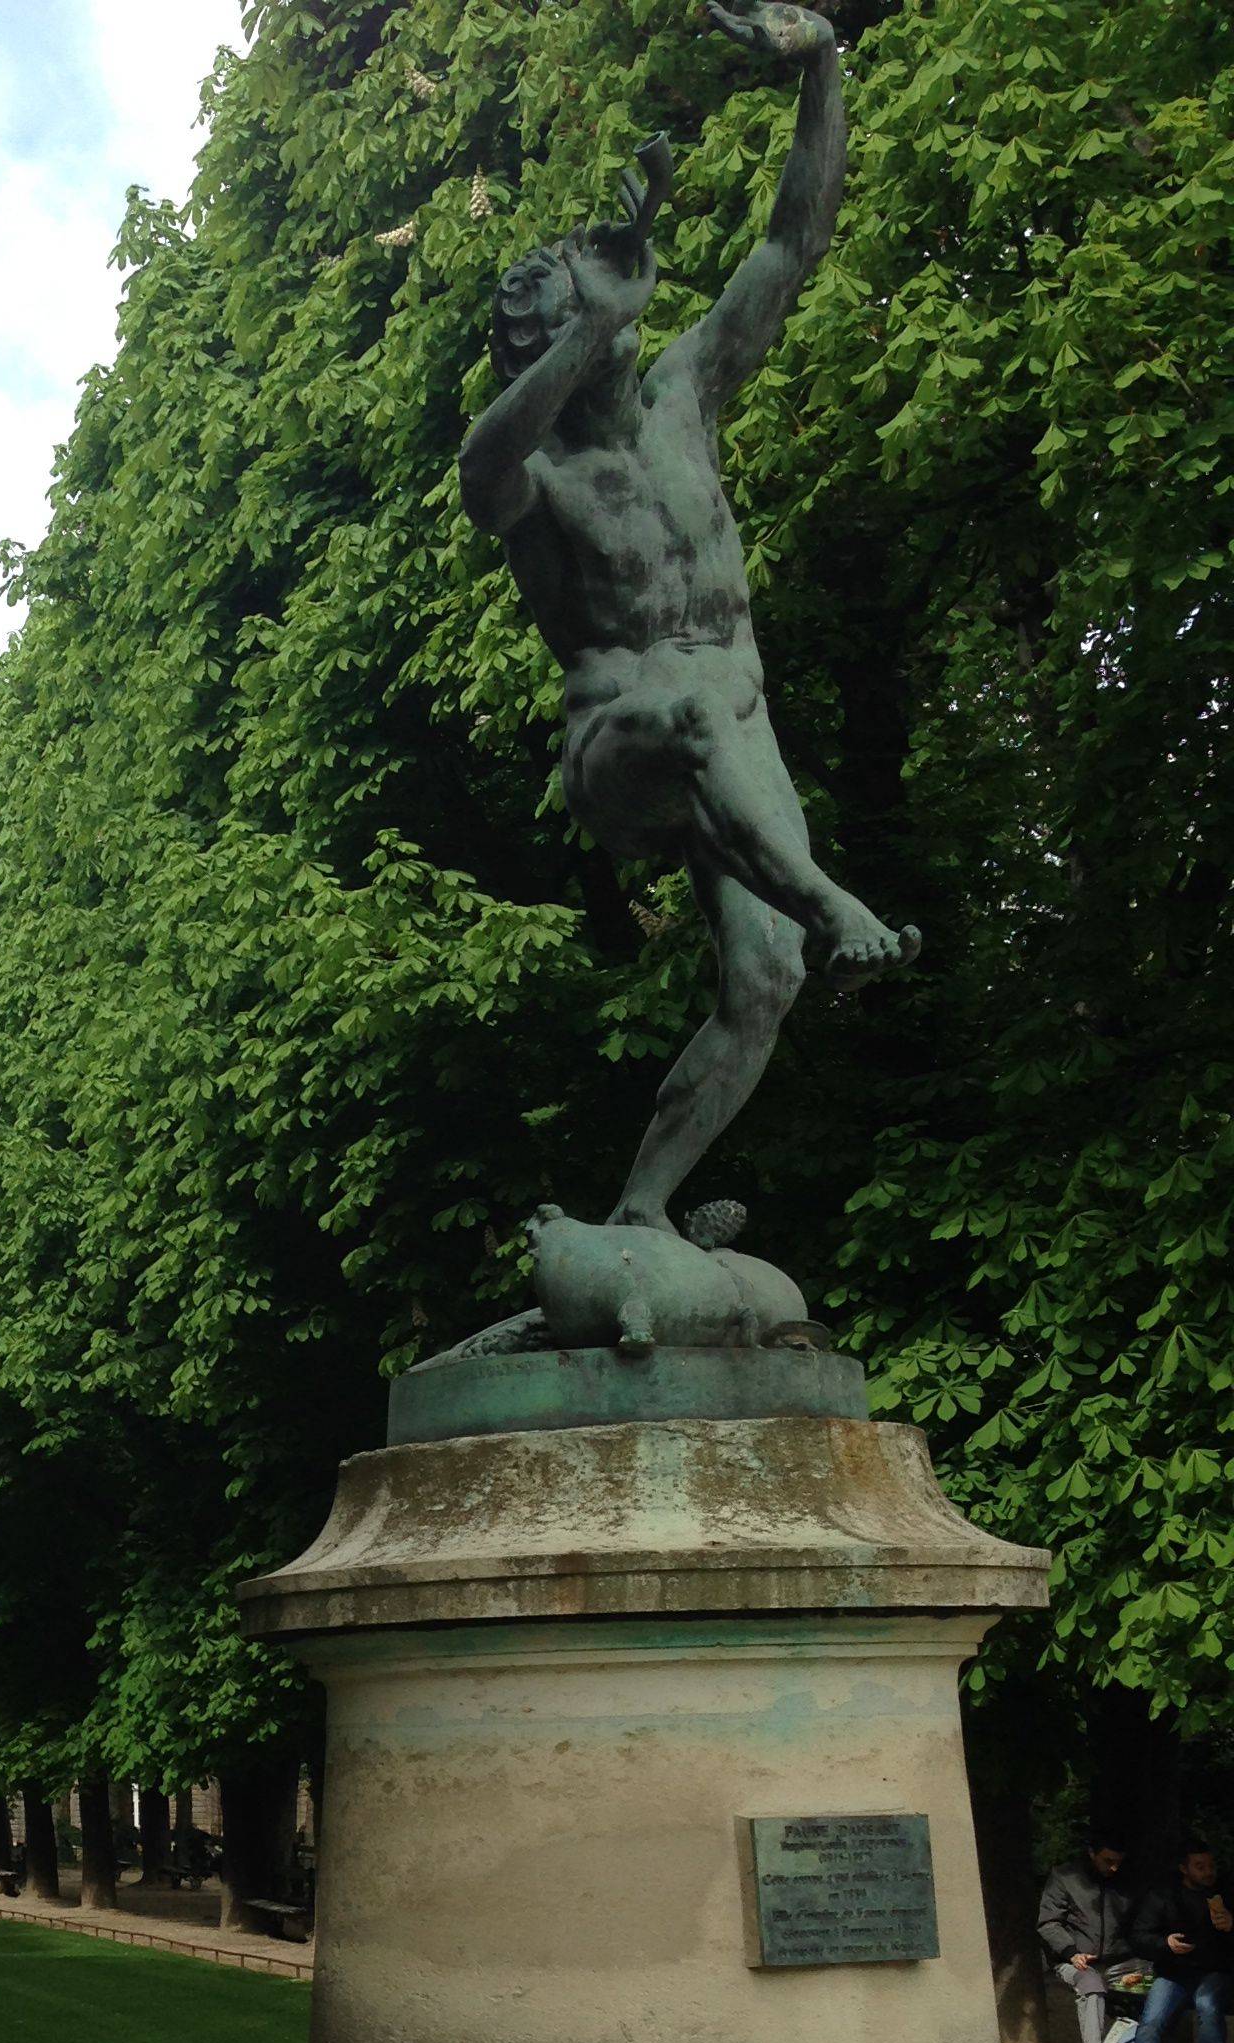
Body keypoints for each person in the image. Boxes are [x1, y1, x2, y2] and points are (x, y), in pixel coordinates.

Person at [458, 3, 916, 1233]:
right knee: (693, 704)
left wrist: (822, 64)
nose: (620, 299)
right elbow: (477, 469)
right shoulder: (538, 471)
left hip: (734, 722)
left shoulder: (683, 399)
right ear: (551, 335)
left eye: (613, 285)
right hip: (625, 742)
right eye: (584, 294)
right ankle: (837, 903)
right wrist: (593, 322)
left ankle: (641, 1215)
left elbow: (790, 247)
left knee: (763, 982)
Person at [1116, 1842, 1234, 2043]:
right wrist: (1165, 1943)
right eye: (1199, 1867)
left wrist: (1231, 1925)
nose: (1207, 1872)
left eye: (1210, 1866)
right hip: (1175, 1971)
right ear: (1184, 1868)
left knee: (1208, 2006)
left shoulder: (1225, 1894)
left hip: (1215, 1971)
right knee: (1152, 2018)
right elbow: (1139, 1936)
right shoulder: (1162, 1896)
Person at [1035, 1832, 1139, 2043]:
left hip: (1117, 1961)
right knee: (1091, 1986)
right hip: (1071, 1960)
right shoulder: (1064, 1877)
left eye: (1118, 1862)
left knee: (1161, 1980)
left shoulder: (1126, 1881)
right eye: (1107, 1860)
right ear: (1091, 1853)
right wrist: (1071, 1952)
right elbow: (1048, 1924)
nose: (1113, 1867)